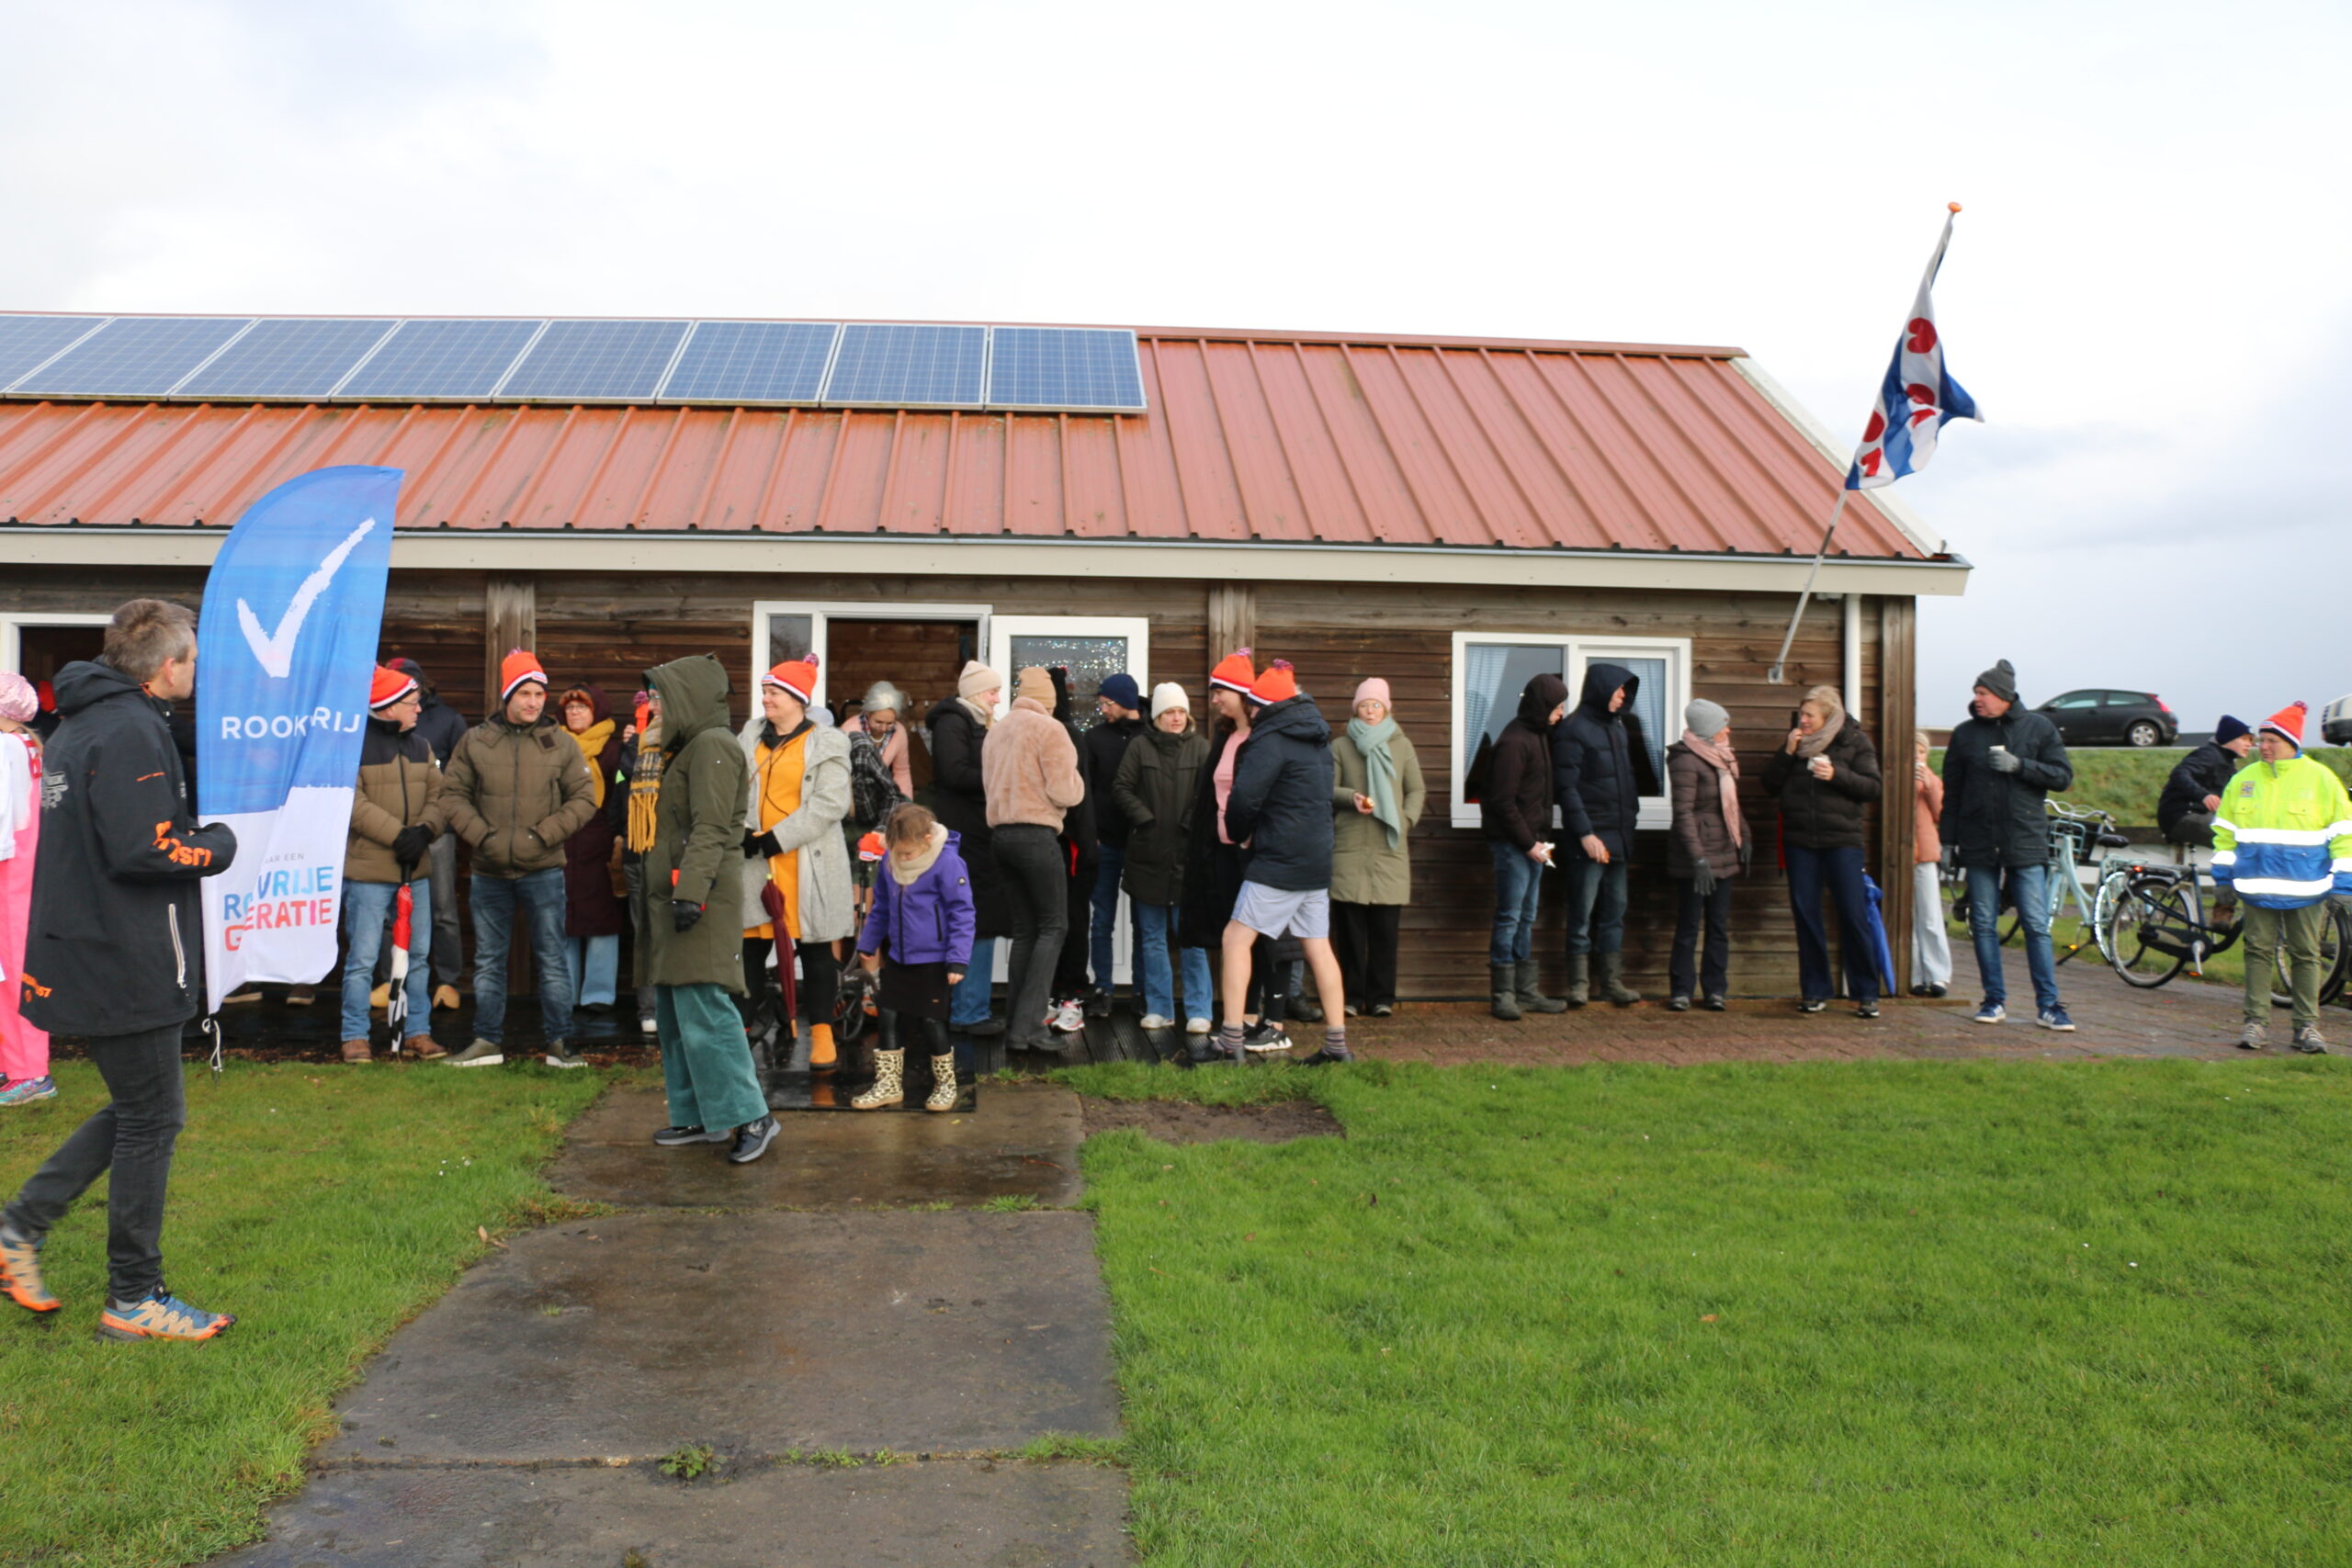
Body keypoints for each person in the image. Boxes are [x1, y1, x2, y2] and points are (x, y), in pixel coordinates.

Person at [0, 599, 238, 1339]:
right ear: (167, 666)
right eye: (192, 659)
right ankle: (133, 1295)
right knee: (152, 1117)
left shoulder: (80, 721)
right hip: (123, 953)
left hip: (94, 944)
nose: (196, 670)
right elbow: (145, 847)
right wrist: (218, 844)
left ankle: (20, 1226)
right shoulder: (130, 728)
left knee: (143, 1107)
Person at [642, 655, 777, 1163]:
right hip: (676, 897)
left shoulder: (713, 746)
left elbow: (713, 827)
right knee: (678, 1015)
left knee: (706, 1012)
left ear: (687, 697)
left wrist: (691, 893)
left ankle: (753, 1116)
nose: (654, 704)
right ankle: (702, 1114)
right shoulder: (685, 747)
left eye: (660, 695)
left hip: (697, 898)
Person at [441, 650, 598, 1068]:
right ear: (508, 695)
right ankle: (486, 1042)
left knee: (552, 960)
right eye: (525, 693)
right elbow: (451, 795)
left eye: (539, 694)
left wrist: (544, 835)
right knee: (489, 961)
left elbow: (584, 799)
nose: (533, 702)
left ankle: (560, 1045)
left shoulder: (561, 743)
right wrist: (483, 837)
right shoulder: (475, 741)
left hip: (544, 871)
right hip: (489, 871)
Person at [1217, 660, 1351, 1066]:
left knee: (1235, 940)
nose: (1252, 712)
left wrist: (1239, 832)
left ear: (1264, 706)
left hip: (1279, 860)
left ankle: (1230, 1040)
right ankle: (1336, 1046)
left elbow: (1245, 797)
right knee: (1318, 947)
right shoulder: (1318, 738)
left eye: (1254, 706)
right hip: (1316, 860)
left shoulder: (1270, 739)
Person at [1941, 658, 2075, 1031]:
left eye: (1983, 692)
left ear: (2004, 696)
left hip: (2025, 841)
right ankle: (1993, 1000)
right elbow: (1953, 793)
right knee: (1983, 923)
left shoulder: (2039, 728)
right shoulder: (1964, 734)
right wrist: (1948, 842)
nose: (1977, 699)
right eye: (1976, 692)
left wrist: (2020, 766)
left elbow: (2062, 777)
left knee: (2036, 925)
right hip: (1979, 843)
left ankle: (2049, 1005)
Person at [737, 655, 854, 1075]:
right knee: (750, 950)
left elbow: (830, 803)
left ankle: (821, 1033)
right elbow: (731, 790)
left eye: (774, 692)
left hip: (807, 863)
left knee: (816, 949)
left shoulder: (828, 742)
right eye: (765, 691)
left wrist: (777, 838)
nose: (766, 699)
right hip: (755, 863)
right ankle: (739, 1033)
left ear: (798, 700)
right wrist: (742, 830)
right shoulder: (748, 737)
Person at [2213, 703, 2352, 1054]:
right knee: (2257, 952)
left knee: (2305, 954)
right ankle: (2255, 1023)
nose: (2263, 746)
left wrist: (2344, 883)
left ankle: (2306, 1027)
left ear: (2291, 742)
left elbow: (2344, 833)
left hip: (2306, 888)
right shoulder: (2243, 780)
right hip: (2255, 886)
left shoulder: (2321, 779)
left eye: (2271, 740)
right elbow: (2225, 833)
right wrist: (2223, 878)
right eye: (2261, 740)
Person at [339, 665, 449, 1064]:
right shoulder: (354, 747)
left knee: (418, 958)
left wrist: (424, 831)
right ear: (388, 707)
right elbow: (353, 803)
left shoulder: (422, 747)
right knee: (363, 960)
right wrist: (400, 836)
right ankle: (355, 1036)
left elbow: (442, 796)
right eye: (412, 703)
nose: (419, 709)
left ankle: (417, 1031)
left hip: (414, 871)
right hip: (369, 873)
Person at [1762, 685, 1884, 1018]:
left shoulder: (1855, 741)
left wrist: (1836, 774)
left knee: (1852, 914)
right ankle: (1815, 991)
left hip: (1842, 842)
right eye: (1801, 714)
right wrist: (1787, 753)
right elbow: (1769, 785)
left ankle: (1866, 993)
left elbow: (1873, 787)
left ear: (1829, 717)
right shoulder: (1795, 743)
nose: (1802, 720)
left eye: (1809, 715)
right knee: (1806, 915)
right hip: (1800, 842)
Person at [981, 667, 1086, 1051]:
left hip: (1001, 836)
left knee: (1026, 932)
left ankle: (1016, 1024)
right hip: (1037, 836)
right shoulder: (1050, 729)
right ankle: (1031, 1028)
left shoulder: (997, 731)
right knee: (1054, 927)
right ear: (1050, 701)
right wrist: (1079, 782)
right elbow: (1065, 792)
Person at [854, 803, 975, 1111]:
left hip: (934, 959)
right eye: (898, 853)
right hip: (899, 957)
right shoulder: (890, 861)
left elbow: (962, 913)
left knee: (932, 1020)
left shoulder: (948, 863)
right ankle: (888, 1085)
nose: (904, 858)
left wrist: (958, 959)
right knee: (888, 1013)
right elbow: (881, 906)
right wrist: (868, 941)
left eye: (908, 853)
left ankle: (945, 1084)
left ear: (927, 840)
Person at [1114, 682, 1213, 1032]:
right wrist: (1145, 820)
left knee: (1192, 939)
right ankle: (1159, 1008)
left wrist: (1189, 824)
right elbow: (1121, 788)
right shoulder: (1140, 747)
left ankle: (1200, 1010)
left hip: (1187, 857)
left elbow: (1208, 793)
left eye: (1181, 711)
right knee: (1153, 939)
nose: (1176, 718)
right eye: (1170, 712)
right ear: (1157, 716)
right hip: (1148, 856)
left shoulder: (1200, 748)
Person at [1180, 650, 1262, 1058]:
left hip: (1254, 852)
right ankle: (1237, 1016)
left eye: (1219, 692)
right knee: (1232, 934)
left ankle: (1256, 1015)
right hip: (1222, 849)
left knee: (1255, 935)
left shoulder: (1262, 735)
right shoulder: (1225, 735)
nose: (1214, 700)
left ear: (1241, 693)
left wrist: (1252, 834)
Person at [1553, 661, 1645, 1007]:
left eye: (1625, 691)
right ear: (1601, 688)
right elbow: (1566, 788)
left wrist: (1630, 820)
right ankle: (1578, 985)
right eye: (1618, 689)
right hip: (1588, 840)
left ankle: (1611, 983)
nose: (1623, 696)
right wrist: (1586, 834)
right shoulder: (1572, 729)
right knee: (1582, 913)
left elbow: (1627, 781)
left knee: (1614, 912)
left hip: (1619, 837)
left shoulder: (1618, 728)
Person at [1481, 671, 1568, 1021]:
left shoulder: (1538, 736)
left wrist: (1538, 842)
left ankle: (1525, 991)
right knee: (1510, 917)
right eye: (1557, 706)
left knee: (1526, 917)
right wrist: (1529, 843)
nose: (1561, 713)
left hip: (1534, 843)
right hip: (1514, 845)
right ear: (1542, 706)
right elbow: (1502, 801)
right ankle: (1503, 994)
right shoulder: (1515, 742)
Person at [927, 661, 1006, 1035]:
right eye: (993, 691)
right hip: (965, 837)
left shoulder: (977, 723)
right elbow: (954, 773)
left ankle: (968, 1008)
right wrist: (1002, 779)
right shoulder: (953, 722)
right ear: (975, 692)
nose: (997, 698)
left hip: (977, 834)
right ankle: (967, 1011)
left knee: (978, 918)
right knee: (973, 918)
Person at [385, 657, 469, 1010]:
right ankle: (389, 981)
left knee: (443, 909)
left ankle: (447, 982)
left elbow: (461, 778)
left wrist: (437, 821)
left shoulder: (449, 720)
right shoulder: (377, 723)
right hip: (391, 833)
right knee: (390, 911)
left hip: (437, 832)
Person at [1667, 697, 1747, 1012]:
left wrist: (1745, 837)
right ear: (1708, 729)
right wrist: (1697, 859)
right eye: (1723, 725)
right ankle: (1681, 990)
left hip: (1724, 852)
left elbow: (1730, 806)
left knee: (1718, 926)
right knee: (1688, 925)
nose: (1728, 730)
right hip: (1696, 857)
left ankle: (1715, 990)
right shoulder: (1685, 759)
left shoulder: (1723, 757)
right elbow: (1683, 814)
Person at [557, 684, 628, 1016]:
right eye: (569, 708)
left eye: (581, 707)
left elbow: (621, 795)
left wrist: (617, 837)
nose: (574, 713)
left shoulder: (613, 751)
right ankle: (566, 992)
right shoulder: (554, 745)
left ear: (596, 712)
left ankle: (599, 994)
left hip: (601, 843)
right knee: (564, 918)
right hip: (562, 841)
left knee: (602, 919)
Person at [1082, 671, 1148, 1016]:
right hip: (1105, 841)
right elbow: (1086, 789)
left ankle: (1141, 991)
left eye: (1107, 703)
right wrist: (1090, 831)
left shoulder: (1151, 735)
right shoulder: (1094, 738)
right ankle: (1102, 989)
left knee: (1143, 921)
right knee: (1102, 919)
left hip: (1142, 842)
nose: (1104, 710)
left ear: (1125, 701)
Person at [0, 673, 51, 1107]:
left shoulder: (4, 749)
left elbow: (3, 818)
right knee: (15, 973)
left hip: (9, 873)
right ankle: (18, 1064)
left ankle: (30, 1072)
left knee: (11, 975)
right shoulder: (27, 745)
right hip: (24, 870)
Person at [1044, 666, 1100, 1033]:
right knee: (1050, 923)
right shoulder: (1040, 732)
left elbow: (1075, 795)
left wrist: (1083, 841)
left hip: (1073, 845)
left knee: (1073, 922)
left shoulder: (1067, 736)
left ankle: (1073, 996)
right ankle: (1050, 994)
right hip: (1047, 844)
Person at [619, 691, 664, 1036]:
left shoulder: (684, 742)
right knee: (645, 933)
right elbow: (622, 786)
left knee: (674, 933)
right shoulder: (636, 743)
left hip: (671, 851)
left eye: (660, 700)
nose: (654, 707)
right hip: (638, 849)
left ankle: (672, 1007)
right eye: (651, 700)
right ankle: (649, 1009)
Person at [2158, 715, 2254, 849]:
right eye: (2244, 739)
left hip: (2196, 815)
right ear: (2228, 738)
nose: (2249, 744)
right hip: (2182, 816)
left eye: (2250, 740)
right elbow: (2180, 773)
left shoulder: (2227, 763)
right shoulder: (2208, 755)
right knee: (2236, 839)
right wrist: (2203, 796)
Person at [1909, 733, 1952, 998]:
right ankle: (1914, 974)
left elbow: (1940, 815)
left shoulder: (1933, 780)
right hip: (1902, 854)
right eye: (1913, 751)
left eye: (1922, 752)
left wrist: (1930, 787)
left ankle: (1938, 975)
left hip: (1924, 854)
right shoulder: (1895, 779)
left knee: (1930, 916)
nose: (1917, 757)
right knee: (1908, 917)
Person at [842, 682, 915, 797]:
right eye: (878, 722)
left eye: (890, 723)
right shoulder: (849, 730)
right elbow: (841, 774)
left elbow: (902, 772)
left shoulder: (899, 732)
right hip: (852, 794)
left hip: (882, 794)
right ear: (868, 713)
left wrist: (906, 803)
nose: (883, 728)